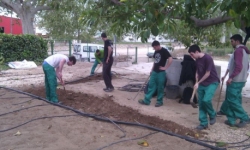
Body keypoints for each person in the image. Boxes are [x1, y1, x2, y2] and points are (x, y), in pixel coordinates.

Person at [218, 34, 250, 127]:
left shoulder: (238, 51)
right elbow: (246, 66)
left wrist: (231, 77)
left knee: (232, 100)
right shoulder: (245, 51)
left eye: (232, 41)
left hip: (235, 80)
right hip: (241, 80)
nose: (231, 43)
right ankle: (231, 119)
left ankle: (244, 117)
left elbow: (239, 66)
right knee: (233, 99)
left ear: (237, 41)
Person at [188, 44, 220, 130]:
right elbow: (198, 71)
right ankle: (203, 123)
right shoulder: (197, 60)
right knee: (201, 103)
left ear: (197, 52)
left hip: (212, 82)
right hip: (202, 83)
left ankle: (212, 114)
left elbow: (207, 73)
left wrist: (199, 83)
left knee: (206, 100)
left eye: (192, 54)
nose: (192, 56)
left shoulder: (208, 58)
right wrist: (196, 77)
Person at [138, 40, 172, 107]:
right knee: (151, 86)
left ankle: (159, 102)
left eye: (154, 47)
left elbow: (170, 58)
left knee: (160, 87)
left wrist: (165, 67)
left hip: (161, 73)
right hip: (154, 72)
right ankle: (146, 100)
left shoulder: (164, 51)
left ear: (157, 45)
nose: (154, 49)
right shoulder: (156, 51)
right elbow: (155, 61)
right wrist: (152, 69)